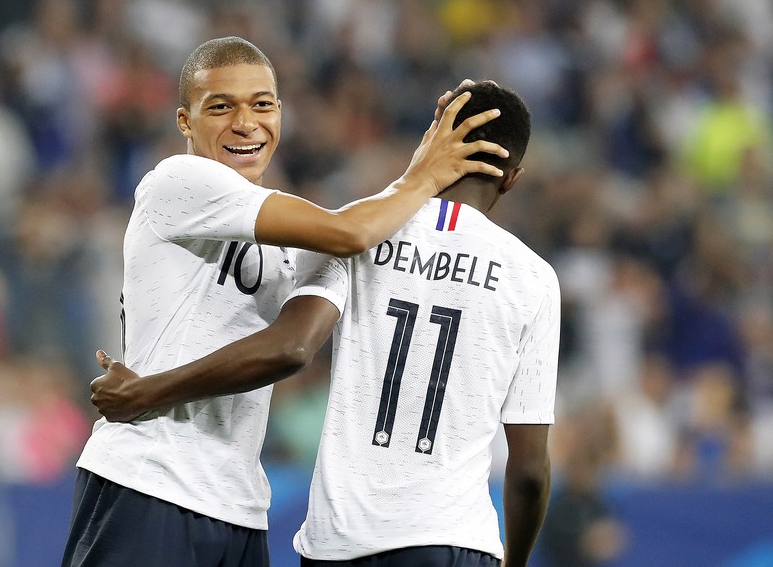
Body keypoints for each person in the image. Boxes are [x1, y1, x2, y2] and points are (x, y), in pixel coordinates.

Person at [62, 36, 508, 567]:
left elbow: (293, 346)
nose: (246, 122)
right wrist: (423, 174)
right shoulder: (177, 181)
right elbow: (349, 231)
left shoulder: (295, 241)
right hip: (147, 482)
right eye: (221, 107)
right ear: (185, 121)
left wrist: (150, 390)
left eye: (262, 104)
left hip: (240, 507)